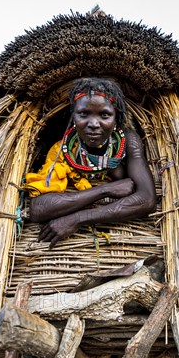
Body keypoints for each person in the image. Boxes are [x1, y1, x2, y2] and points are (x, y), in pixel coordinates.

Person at [26, 78, 156, 248]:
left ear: (116, 116)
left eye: (104, 115)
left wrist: (76, 219)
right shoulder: (62, 150)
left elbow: (147, 200)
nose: (94, 124)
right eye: (84, 114)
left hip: (122, 241)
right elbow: (37, 209)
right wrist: (104, 190)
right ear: (73, 115)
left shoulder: (128, 142)